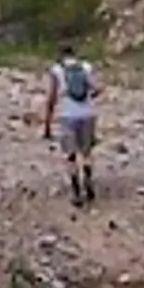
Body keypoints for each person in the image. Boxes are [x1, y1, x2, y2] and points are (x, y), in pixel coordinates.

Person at [42, 45, 101, 206]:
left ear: (60, 55)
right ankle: (88, 180)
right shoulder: (86, 67)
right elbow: (97, 89)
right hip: (88, 114)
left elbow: (51, 99)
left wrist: (47, 124)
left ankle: (76, 191)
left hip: (67, 115)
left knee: (70, 155)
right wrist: (87, 96)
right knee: (87, 152)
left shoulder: (56, 70)